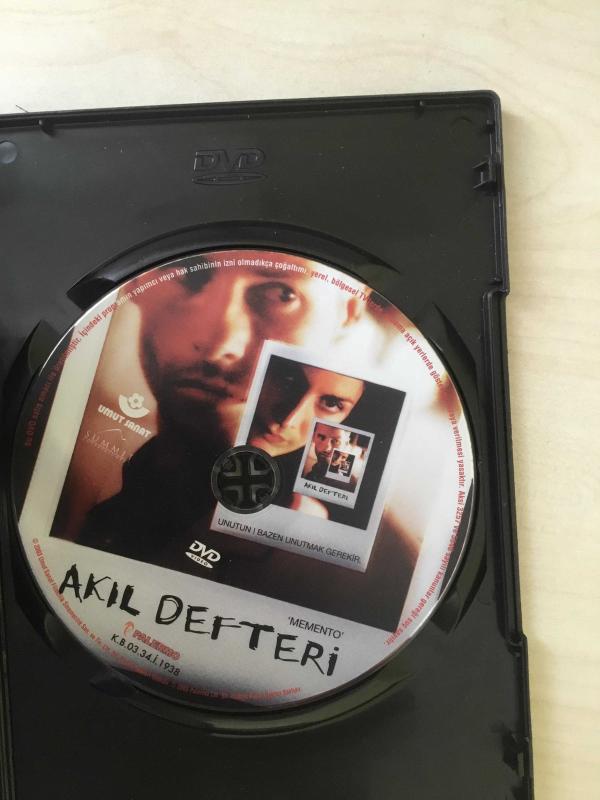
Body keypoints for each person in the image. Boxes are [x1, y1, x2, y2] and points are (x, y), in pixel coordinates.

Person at [73, 260, 419, 632]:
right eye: (191, 276)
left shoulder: (382, 570)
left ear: (348, 310)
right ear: (137, 282)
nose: (220, 347)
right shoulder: (106, 476)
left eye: (281, 294)